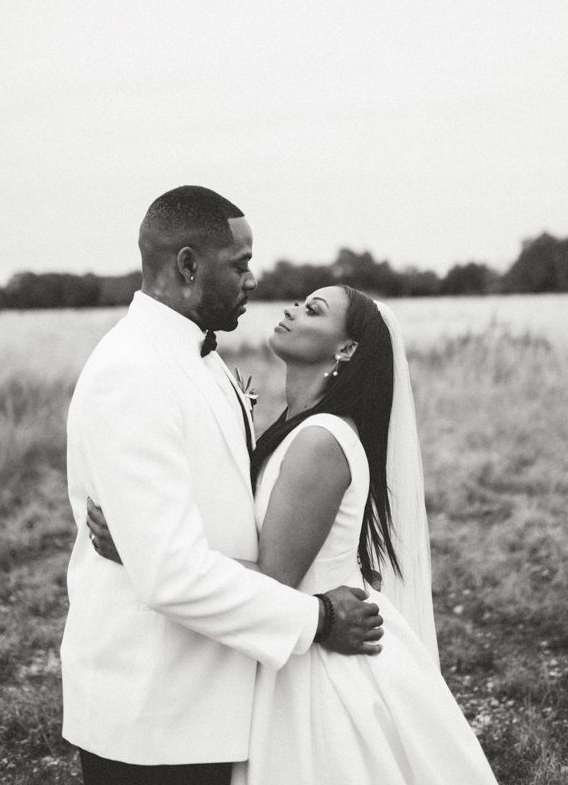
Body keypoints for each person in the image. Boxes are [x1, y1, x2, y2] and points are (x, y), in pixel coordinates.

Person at [90, 281, 499, 784]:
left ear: (346, 349)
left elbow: (276, 576)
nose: (292, 310)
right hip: (288, 638)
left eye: (313, 311)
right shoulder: (296, 425)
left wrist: (142, 547)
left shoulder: (320, 441)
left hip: (316, 665)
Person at [61, 187, 382, 785]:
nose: (254, 280)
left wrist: (140, 545)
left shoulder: (199, 359)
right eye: (240, 264)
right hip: (154, 714)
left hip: (211, 698)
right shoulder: (132, 373)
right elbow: (171, 575)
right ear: (188, 265)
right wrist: (317, 620)